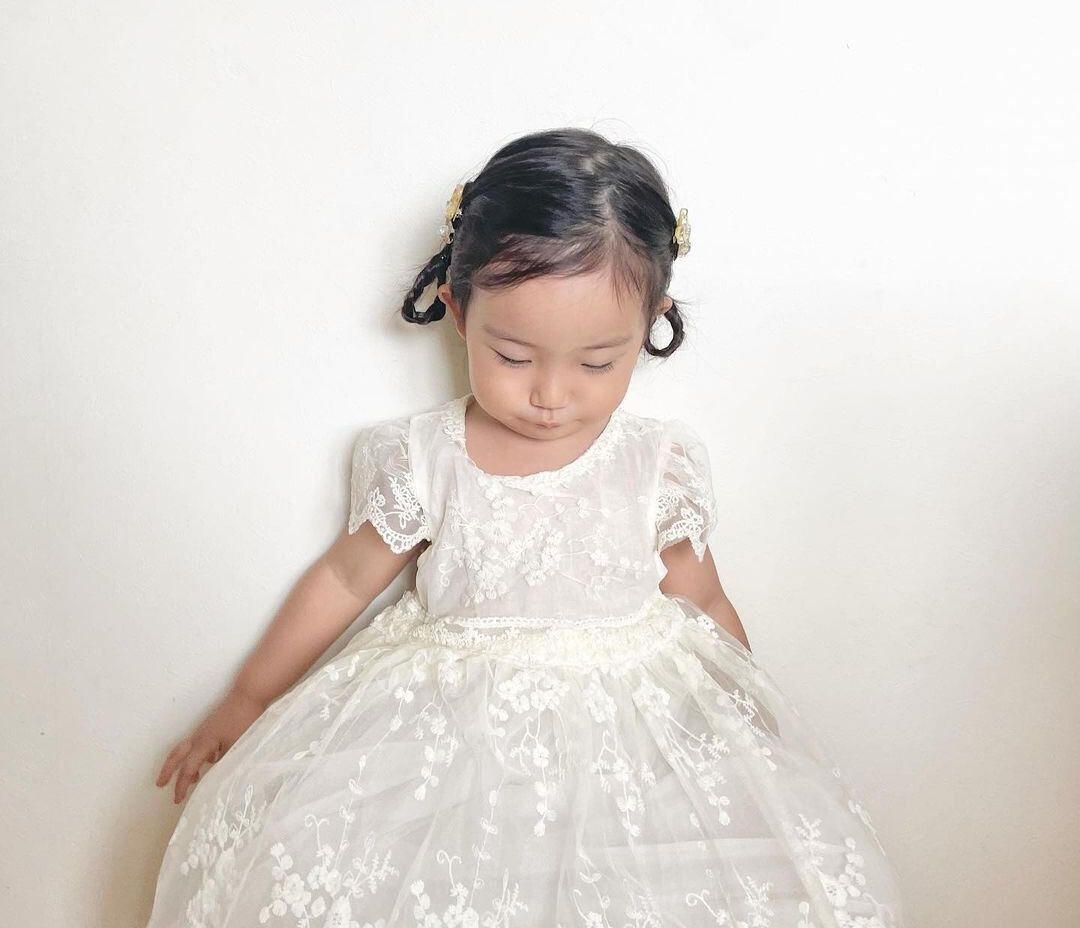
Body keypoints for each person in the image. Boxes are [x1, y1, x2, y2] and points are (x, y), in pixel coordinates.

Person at [145, 128, 905, 927]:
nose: (550, 393)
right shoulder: (425, 456)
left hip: (624, 741)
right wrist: (247, 697)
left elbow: (704, 601)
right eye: (512, 357)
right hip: (453, 741)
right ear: (458, 311)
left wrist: (750, 716)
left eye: (597, 363)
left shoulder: (656, 462)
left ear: (652, 324)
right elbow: (343, 578)